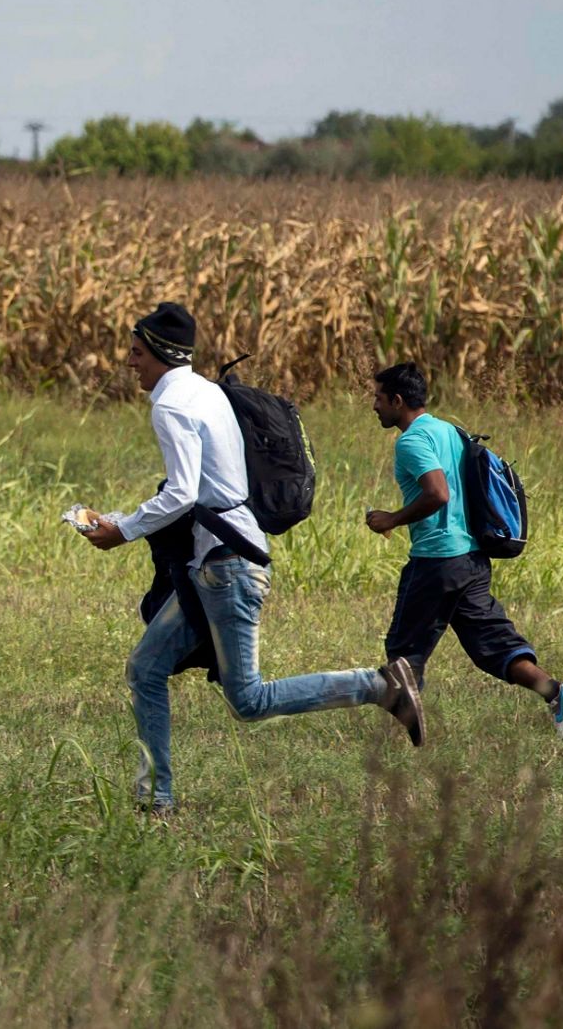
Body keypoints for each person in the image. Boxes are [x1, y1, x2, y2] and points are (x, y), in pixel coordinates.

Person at [81, 302, 425, 814]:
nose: (129, 363)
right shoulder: (205, 391)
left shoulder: (170, 405)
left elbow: (180, 493)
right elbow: (204, 487)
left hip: (227, 568)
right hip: (217, 561)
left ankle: (378, 686)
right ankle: (155, 799)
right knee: (145, 667)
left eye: (135, 353)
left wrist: (122, 529)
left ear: (159, 355)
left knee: (250, 700)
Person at [367, 362, 563, 740]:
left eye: (377, 397)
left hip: (436, 561)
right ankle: (560, 694)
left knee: (403, 652)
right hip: (471, 561)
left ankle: (409, 733)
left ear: (397, 400)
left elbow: (438, 493)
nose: (374, 405)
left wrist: (392, 518)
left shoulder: (411, 441)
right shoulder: (450, 431)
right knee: (492, 647)